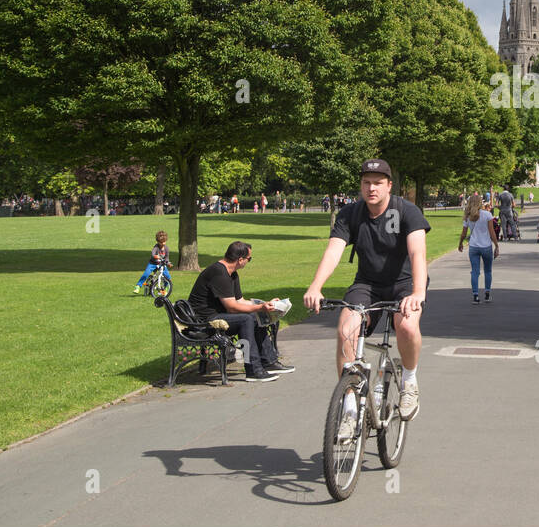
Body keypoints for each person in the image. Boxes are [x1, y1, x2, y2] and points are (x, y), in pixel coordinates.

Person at [303, 159, 429, 436]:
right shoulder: (351, 214)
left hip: (404, 283)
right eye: (366, 182)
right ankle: (349, 408)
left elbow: (418, 253)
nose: (371, 188)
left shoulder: (406, 211)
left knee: (407, 325)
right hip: (367, 284)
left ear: (389, 185)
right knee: (345, 331)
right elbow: (334, 251)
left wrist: (418, 293)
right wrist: (315, 286)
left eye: (378, 183)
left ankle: (409, 381)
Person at [188, 241, 290, 381]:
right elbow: (232, 307)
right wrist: (260, 307)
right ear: (240, 259)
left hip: (219, 316)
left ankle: (268, 361)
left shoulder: (232, 274)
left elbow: (240, 301)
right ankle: (253, 370)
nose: (249, 262)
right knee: (246, 319)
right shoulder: (219, 273)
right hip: (204, 321)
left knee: (255, 316)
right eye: (249, 259)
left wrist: (266, 305)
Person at [458, 193, 499, 304]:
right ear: (480, 203)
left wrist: (460, 243)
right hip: (486, 246)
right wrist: (496, 245)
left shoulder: (468, 216)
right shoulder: (487, 215)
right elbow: (492, 232)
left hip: (474, 246)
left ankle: (475, 295)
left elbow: (463, 233)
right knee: (488, 271)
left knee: (475, 272)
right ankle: (487, 294)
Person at [132, 230, 172, 294]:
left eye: (164, 241)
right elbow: (153, 254)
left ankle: (165, 288)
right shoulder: (156, 247)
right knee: (146, 274)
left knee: (168, 277)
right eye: (161, 242)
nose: (163, 243)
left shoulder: (166, 248)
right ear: (158, 241)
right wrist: (156, 256)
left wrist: (168, 263)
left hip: (161, 264)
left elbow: (166, 258)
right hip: (153, 264)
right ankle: (138, 286)